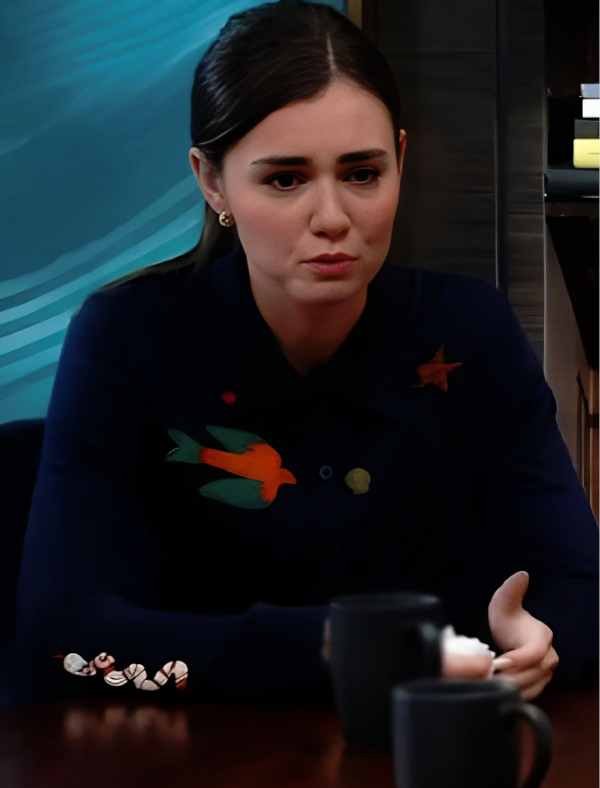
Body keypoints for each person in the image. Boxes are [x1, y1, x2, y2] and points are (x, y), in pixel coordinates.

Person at [9, 0, 597, 707]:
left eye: (362, 173)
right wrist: (342, 648)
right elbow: (62, 637)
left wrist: (543, 640)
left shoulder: (471, 330)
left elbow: (581, 588)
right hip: (183, 754)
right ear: (212, 180)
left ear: (401, 159)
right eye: (286, 179)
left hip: (422, 747)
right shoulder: (125, 337)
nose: (332, 218)